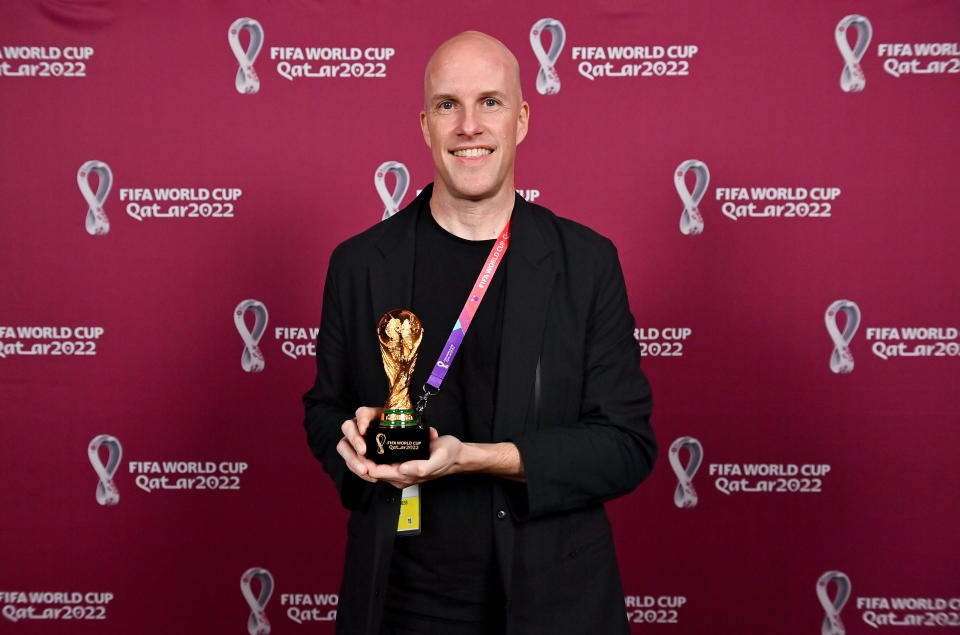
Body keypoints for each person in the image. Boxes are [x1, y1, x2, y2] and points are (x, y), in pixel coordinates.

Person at [303, 31, 656, 635]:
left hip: (551, 604)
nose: (469, 125)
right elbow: (323, 409)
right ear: (424, 125)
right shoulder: (360, 263)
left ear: (520, 120)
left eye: (490, 102)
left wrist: (475, 459)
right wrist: (354, 444)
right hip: (399, 604)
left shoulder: (586, 263)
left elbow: (625, 446)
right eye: (448, 105)